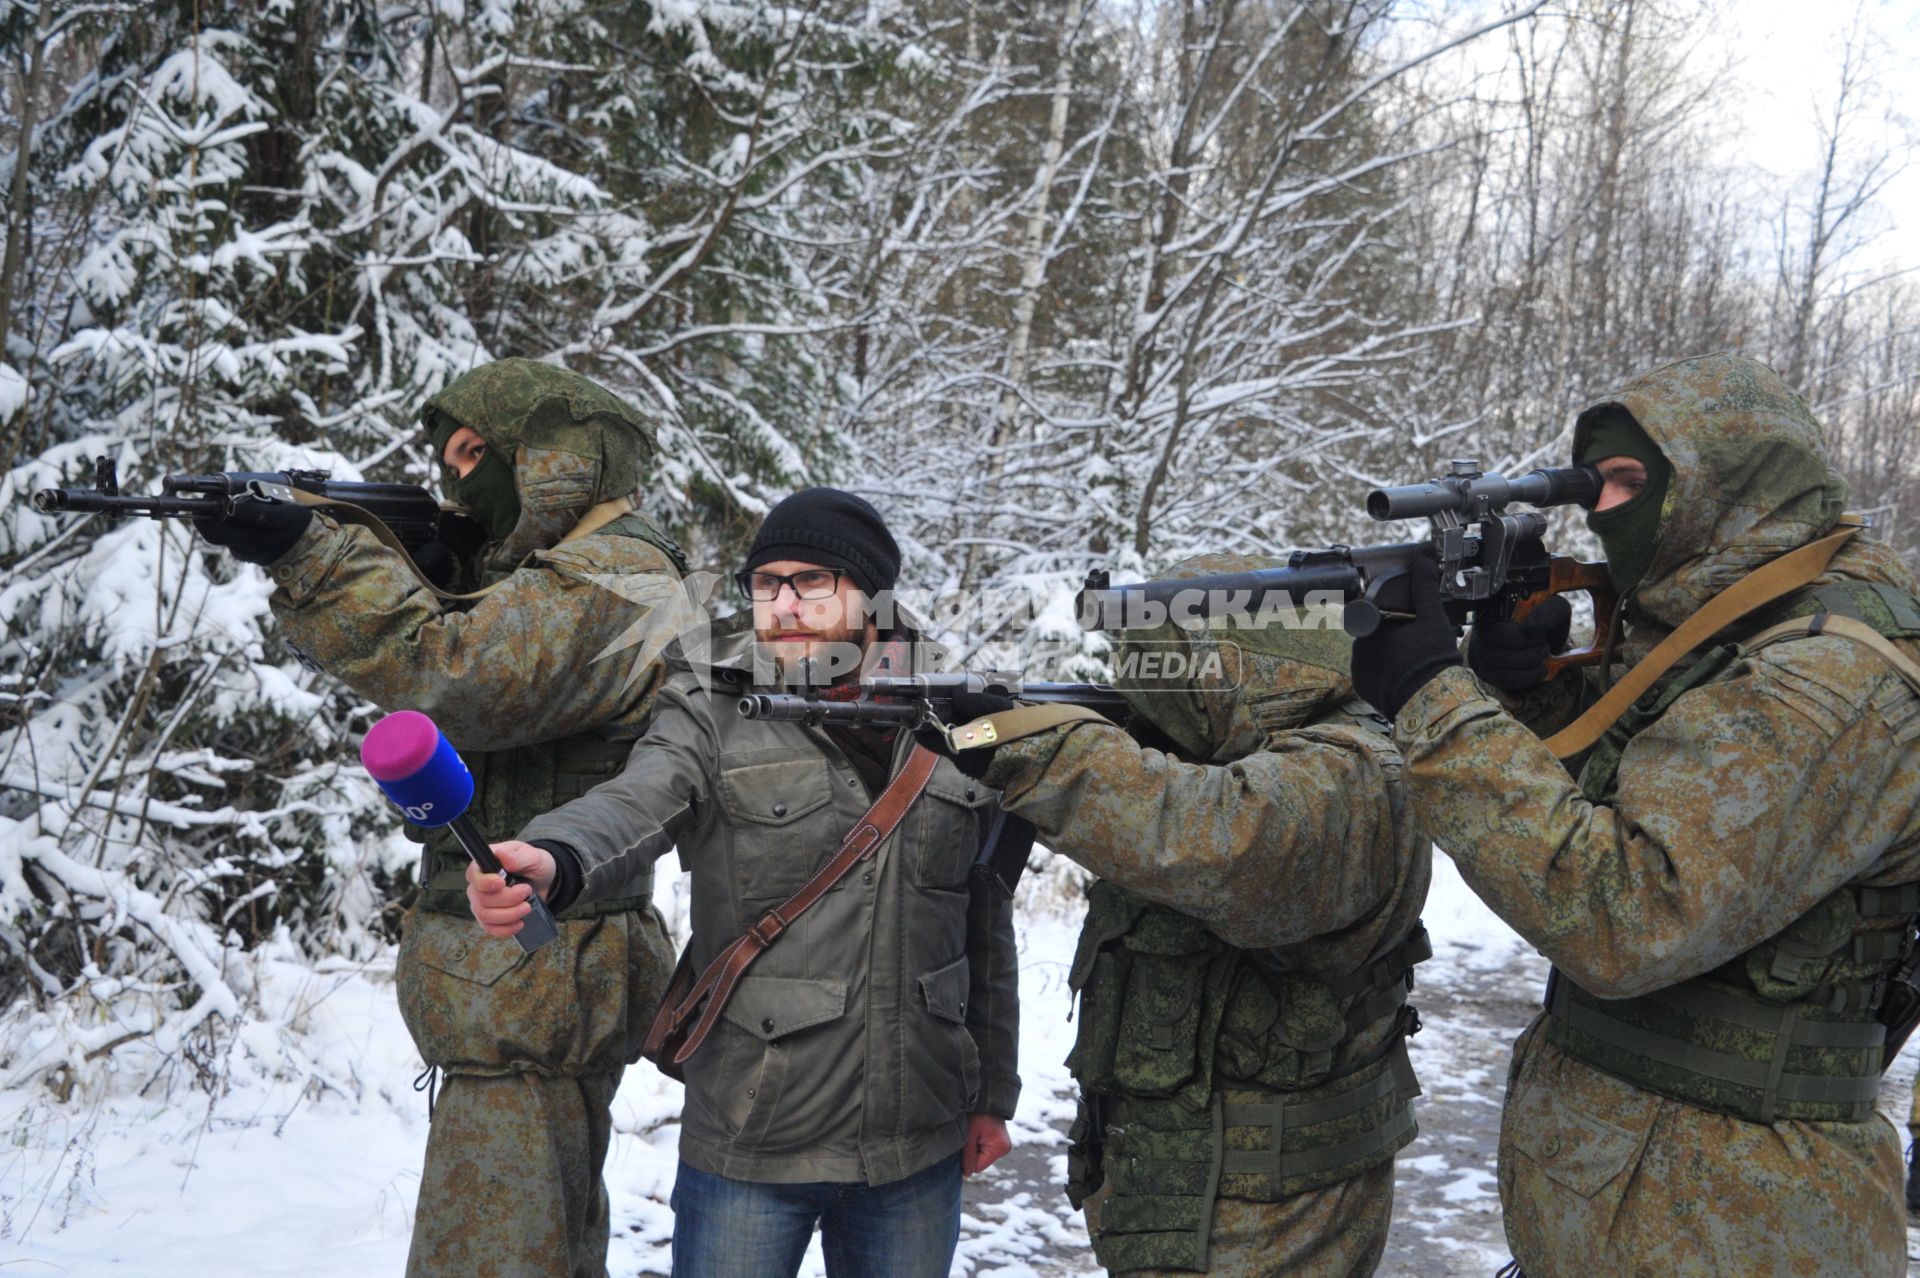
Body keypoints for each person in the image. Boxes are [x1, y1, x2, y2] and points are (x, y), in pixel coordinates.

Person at [1349, 352, 1920, 1276]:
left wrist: (1431, 696)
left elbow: (1625, 913)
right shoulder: (1724, 627)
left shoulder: (1827, 676)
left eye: (1628, 482)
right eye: (1595, 483)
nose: (1604, 510)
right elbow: (1641, 798)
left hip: (1741, 1226)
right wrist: (1525, 693)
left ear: (1727, 486)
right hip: (1651, 1206)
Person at [197, 358, 686, 1278]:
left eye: (475, 454)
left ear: (549, 461)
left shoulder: (620, 580)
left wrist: (313, 556)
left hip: (538, 980)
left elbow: (450, 675)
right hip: (527, 980)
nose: (457, 476)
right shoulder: (566, 572)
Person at [468, 487, 1020, 1278]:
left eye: (812, 582)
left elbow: (983, 922)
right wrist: (555, 858)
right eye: (768, 584)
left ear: (873, 597)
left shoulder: (960, 714)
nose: (785, 604)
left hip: (916, 1142)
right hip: (753, 1138)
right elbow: (639, 800)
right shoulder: (712, 704)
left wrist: (992, 1091)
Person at [925, 555, 1430, 1277]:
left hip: (1273, 1220)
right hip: (1185, 1199)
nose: (1169, 714)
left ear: (1248, 670)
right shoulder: (1238, 756)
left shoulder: (1355, 770)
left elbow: (1219, 844)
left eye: (1184, 689)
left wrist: (1040, 750)